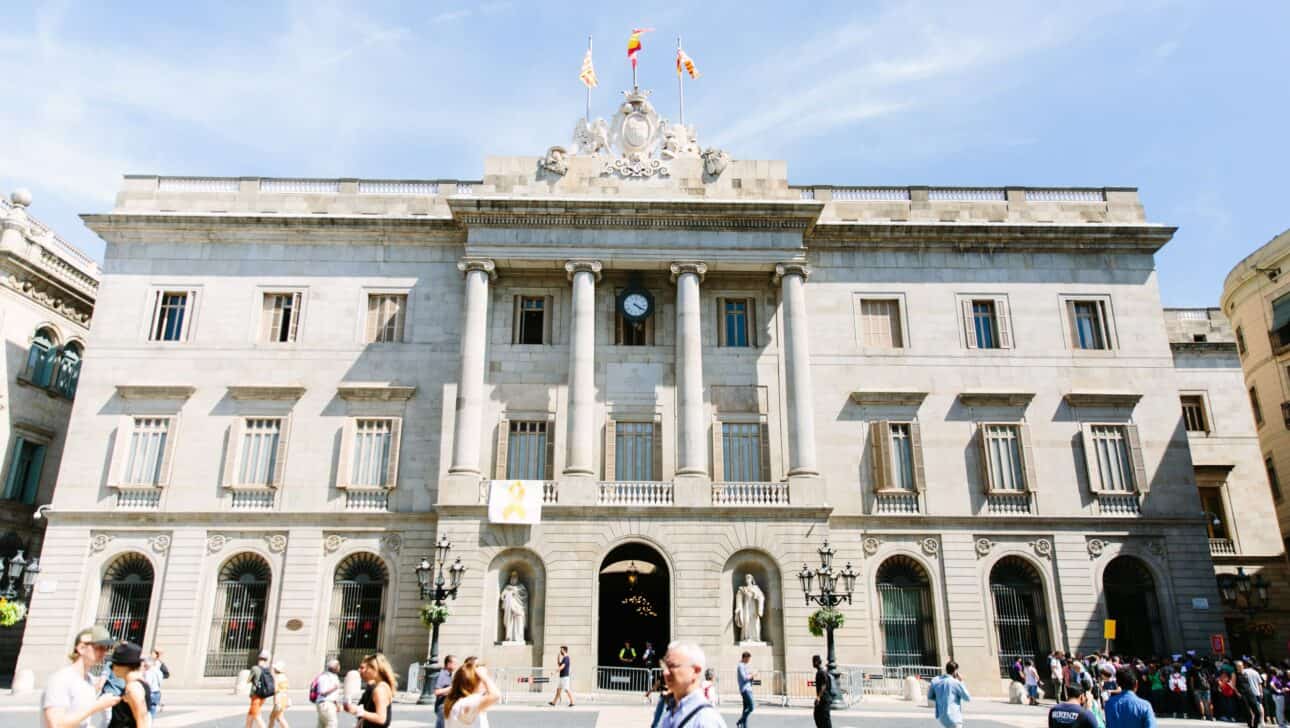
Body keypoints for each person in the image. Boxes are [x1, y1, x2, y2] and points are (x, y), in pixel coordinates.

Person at [41, 625, 120, 728]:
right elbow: (56, 724)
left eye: (106, 648)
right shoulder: (61, 679)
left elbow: (82, 722)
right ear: (81, 648)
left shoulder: (89, 680)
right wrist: (96, 706)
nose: (104, 652)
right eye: (99, 647)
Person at [659, 641, 727, 728]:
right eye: (666, 666)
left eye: (672, 666)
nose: (665, 672)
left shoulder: (705, 720)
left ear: (695, 671)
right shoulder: (670, 714)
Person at [444, 657, 501, 728]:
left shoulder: (458, 702)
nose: (485, 683)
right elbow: (496, 695)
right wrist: (484, 677)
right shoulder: (465, 703)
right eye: (481, 679)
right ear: (472, 683)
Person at [103, 641, 150, 728]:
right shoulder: (136, 684)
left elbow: (142, 719)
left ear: (124, 665)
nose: (112, 668)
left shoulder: (133, 687)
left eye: (114, 664)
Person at [343, 653, 396, 728]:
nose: (361, 671)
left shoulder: (380, 690)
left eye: (365, 668)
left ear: (375, 669)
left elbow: (381, 718)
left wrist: (357, 710)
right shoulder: (379, 686)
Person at [929, 660, 971, 728]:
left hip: (942, 717)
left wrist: (941, 699)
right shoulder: (955, 683)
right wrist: (961, 681)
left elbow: (930, 696)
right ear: (955, 671)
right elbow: (967, 698)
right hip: (954, 717)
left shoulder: (935, 681)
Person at [310, 659, 342, 728]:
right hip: (325, 704)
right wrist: (334, 688)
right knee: (332, 723)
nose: (339, 667)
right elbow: (322, 692)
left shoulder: (333, 676)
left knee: (322, 725)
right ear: (334, 667)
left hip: (328, 704)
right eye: (338, 665)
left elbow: (333, 695)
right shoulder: (324, 677)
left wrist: (336, 704)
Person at [247, 651, 275, 728]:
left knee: (256, 715)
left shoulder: (255, 668)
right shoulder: (267, 669)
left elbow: (248, 680)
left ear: (259, 658)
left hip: (256, 694)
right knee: (251, 713)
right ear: (266, 659)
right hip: (263, 694)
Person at [1237, 659, 1265, 728]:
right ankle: (1262, 721)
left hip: (1249, 692)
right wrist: (1261, 692)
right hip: (1256, 692)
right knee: (1259, 707)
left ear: (1245, 665)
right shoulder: (1256, 672)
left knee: (1250, 710)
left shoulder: (1244, 672)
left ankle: (1252, 723)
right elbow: (1260, 683)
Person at [433, 655, 458, 728]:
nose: (456, 665)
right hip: (442, 707)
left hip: (446, 706)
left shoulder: (449, 675)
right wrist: (452, 688)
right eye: (455, 663)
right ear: (449, 664)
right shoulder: (442, 674)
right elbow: (436, 691)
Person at [646, 660, 672, 728]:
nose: (660, 665)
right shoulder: (663, 674)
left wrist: (668, 690)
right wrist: (649, 692)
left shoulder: (673, 673)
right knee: (657, 714)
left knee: (664, 714)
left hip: (669, 698)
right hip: (662, 696)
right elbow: (657, 684)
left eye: (662, 664)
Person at [269, 660, 291, 728]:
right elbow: (286, 689)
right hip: (284, 699)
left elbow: (276, 690)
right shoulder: (284, 677)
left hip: (279, 700)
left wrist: (276, 703)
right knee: (277, 717)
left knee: (277, 717)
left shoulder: (277, 677)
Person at [736, 651, 755, 728]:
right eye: (748, 659)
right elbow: (744, 678)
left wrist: (751, 676)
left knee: (745, 709)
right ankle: (740, 721)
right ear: (744, 658)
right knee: (751, 707)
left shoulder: (744, 665)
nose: (749, 661)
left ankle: (744, 726)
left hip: (748, 688)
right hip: (745, 689)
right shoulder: (740, 666)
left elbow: (747, 677)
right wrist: (752, 675)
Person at [812, 654, 832, 728]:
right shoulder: (820, 671)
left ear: (817, 662)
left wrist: (818, 697)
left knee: (825, 719)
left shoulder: (821, 672)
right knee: (818, 716)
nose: (813, 663)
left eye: (814, 661)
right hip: (823, 699)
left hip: (824, 699)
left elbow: (824, 685)